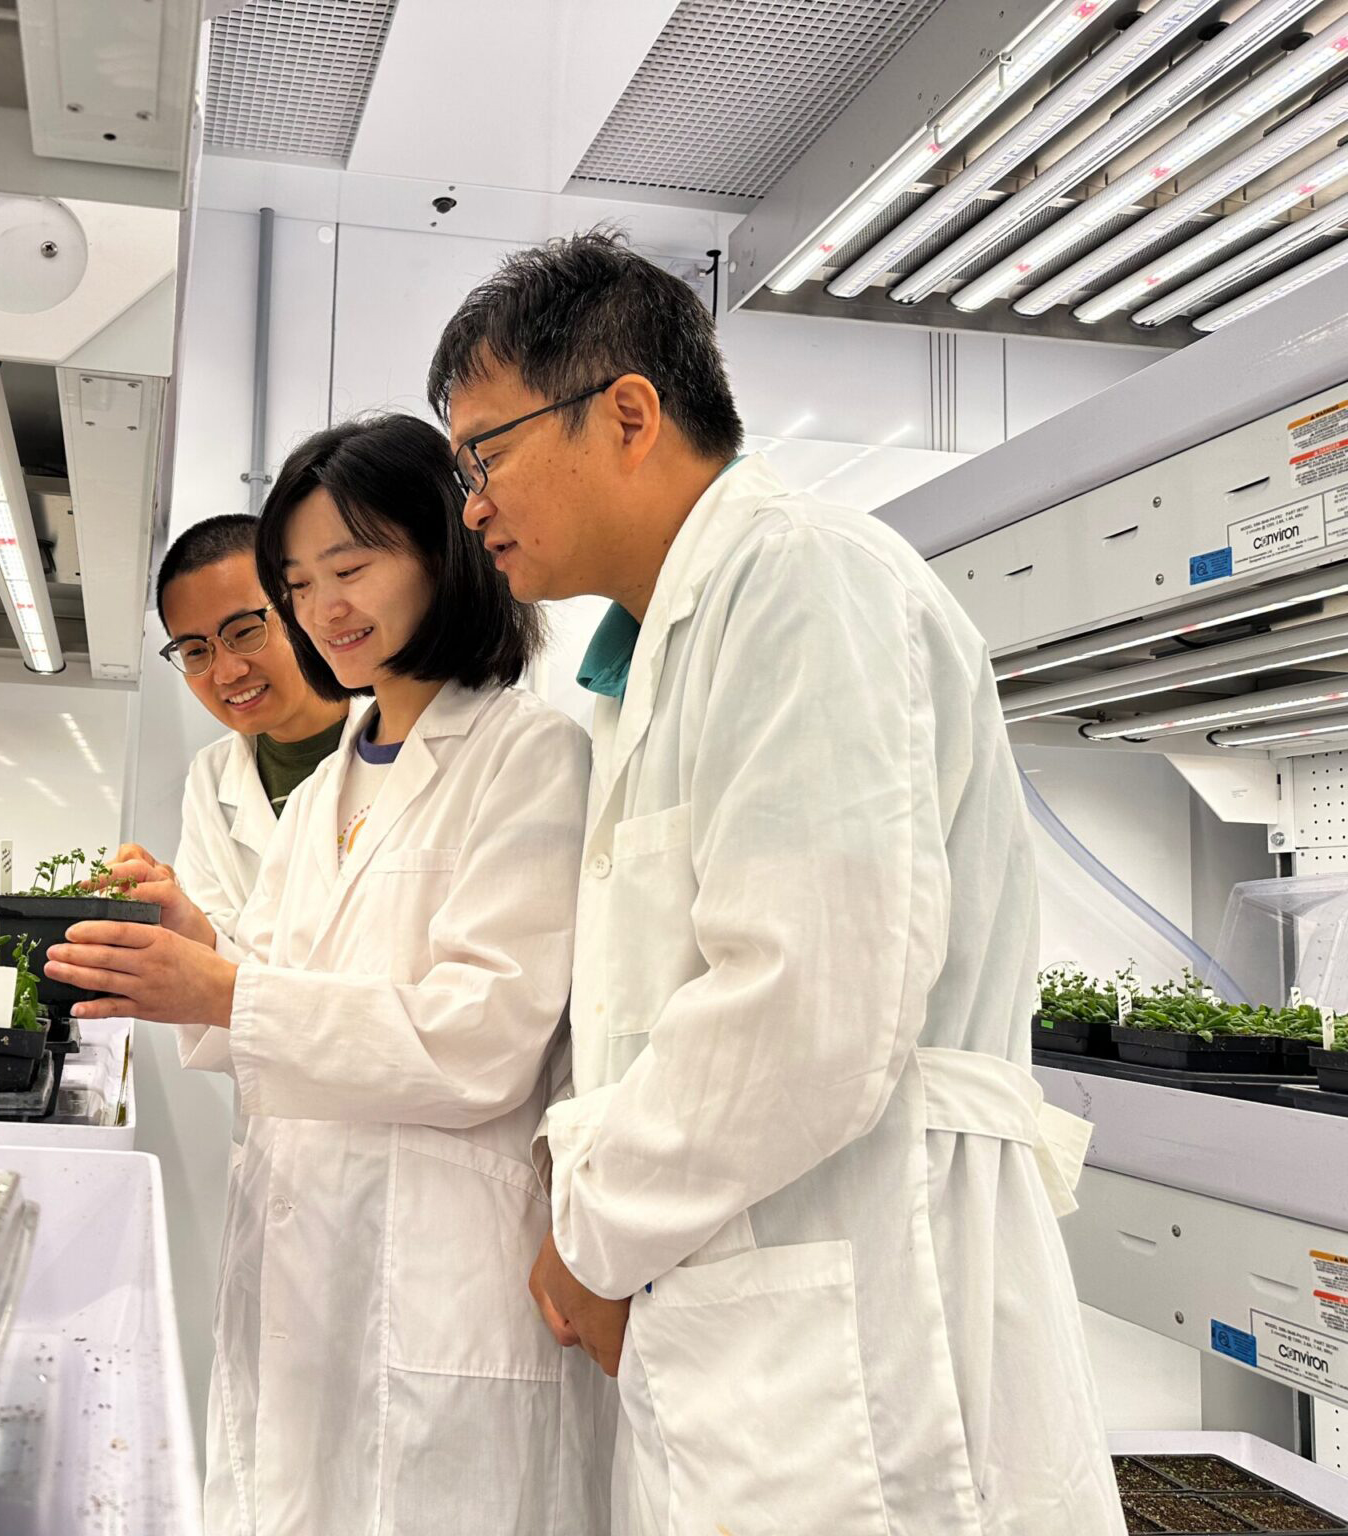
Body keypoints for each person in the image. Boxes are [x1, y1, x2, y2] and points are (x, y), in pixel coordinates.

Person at [426, 231, 1123, 1535]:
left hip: (861, 1321)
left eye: (487, 452)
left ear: (626, 412)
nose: (471, 505)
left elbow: (807, 1007)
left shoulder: (800, 578)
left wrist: (590, 1234)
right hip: (746, 1329)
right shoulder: (649, 660)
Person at [43, 414, 612, 1534]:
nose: (324, 609)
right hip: (307, 1283)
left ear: (447, 553)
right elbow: (276, 1004)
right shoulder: (320, 797)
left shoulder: (527, 757)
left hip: (446, 1283)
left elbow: (480, 1040)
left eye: (353, 566)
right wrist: (199, 947)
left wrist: (227, 992)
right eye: (299, 582)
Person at [130, 514, 347, 944]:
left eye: (244, 631)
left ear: (297, 604)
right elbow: (217, 946)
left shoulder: (399, 738)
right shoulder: (210, 778)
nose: (227, 672)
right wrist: (177, 915)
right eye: (195, 650)